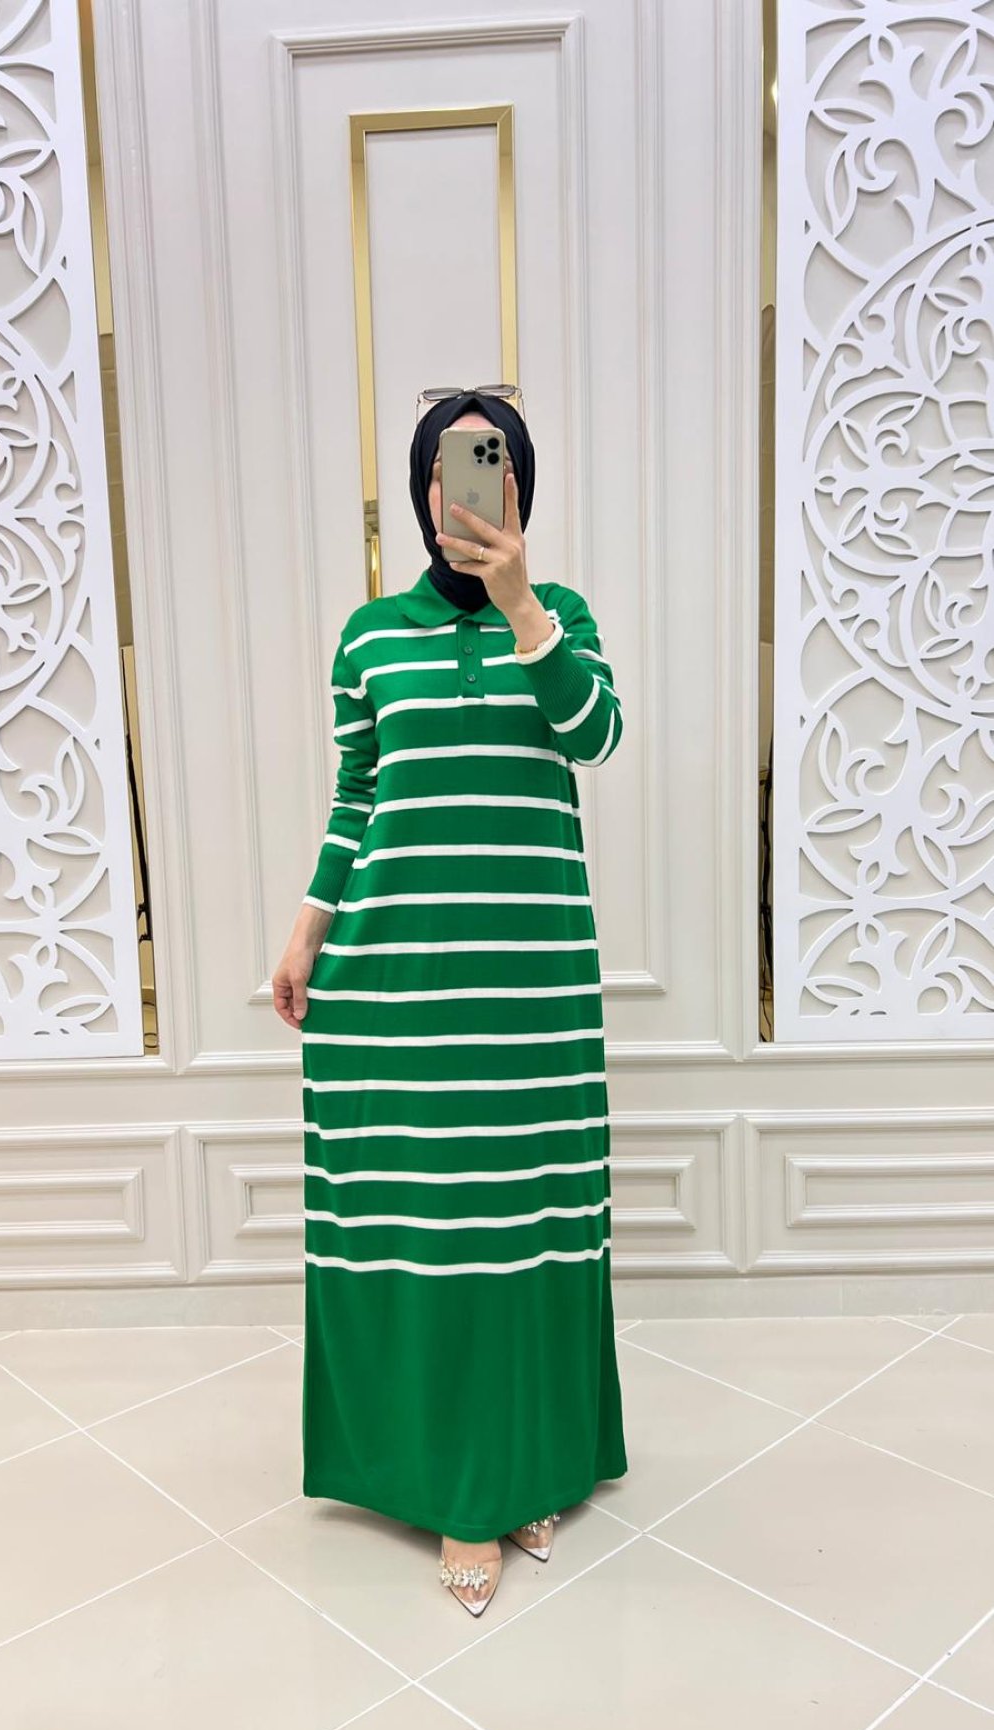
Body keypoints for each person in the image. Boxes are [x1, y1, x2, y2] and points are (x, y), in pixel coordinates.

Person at [273, 388, 628, 1617]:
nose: (458, 491)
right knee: (426, 1218)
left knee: (522, 1218)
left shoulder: (562, 616)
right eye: (441, 468)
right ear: (420, 488)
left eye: (485, 467)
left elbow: (595, 734)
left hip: (528, 985)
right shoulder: (370, 636)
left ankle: (523, 1459)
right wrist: (308, 928)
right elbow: (357, 793)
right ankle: (450, 1480)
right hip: (401, 981)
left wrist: (525, 603)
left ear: (518, 488)